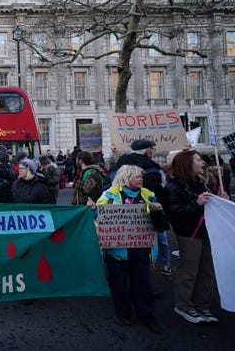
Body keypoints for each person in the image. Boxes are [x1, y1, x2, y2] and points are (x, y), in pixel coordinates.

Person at [93, 165, 168, 333]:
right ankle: (123, 313)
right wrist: (93, 209)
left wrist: (156, 211)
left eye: (141, 177)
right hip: (117, 250)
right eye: (137, 177)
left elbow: (161, 226)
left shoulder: (148, 195)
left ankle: (146, 315)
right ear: (126, 178)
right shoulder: (109, 195)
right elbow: (98, 217)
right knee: (119, 285)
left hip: (141, 249)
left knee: (142, 284)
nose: (142, 179)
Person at [164, 150, 228, 324]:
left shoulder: (199, 183)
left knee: (206, 270)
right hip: (189, 234)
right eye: (198, 160)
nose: (203, 163)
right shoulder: (174, 187)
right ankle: (184, 305)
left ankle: (202, 304)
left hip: (207, 232)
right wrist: (197, 203)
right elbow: (175, 214)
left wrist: (220, 199)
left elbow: (208, 204)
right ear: (188, 164)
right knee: (189, 270)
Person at [112, 139, 172, 276]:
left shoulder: (120, 164)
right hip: (150, 210)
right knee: (159, 239)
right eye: (152, 150)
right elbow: (159, 192)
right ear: (148, 152)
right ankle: (164, 263)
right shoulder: (153, 169)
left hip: (122, 212)